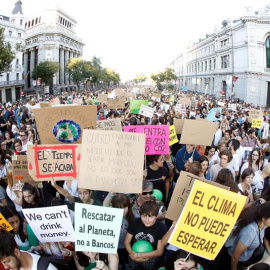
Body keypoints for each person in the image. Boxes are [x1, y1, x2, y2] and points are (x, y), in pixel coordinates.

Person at [222, 202, 270, 270]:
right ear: (263, 218)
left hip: (245, 260)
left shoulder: (264, 226)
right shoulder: (250, 231)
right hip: (235, 261)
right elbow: (235, 256)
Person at [124, 201, 167, 270]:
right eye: (144, 216)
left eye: (150, 216)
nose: (147, 220)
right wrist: (132, 254)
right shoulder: (135, 222)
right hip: (134, 254)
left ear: (156, 216)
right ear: (140, 215)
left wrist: (139, 255)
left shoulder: (161, 227)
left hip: (151, 257)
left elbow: (159, 251)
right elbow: (127, 242)